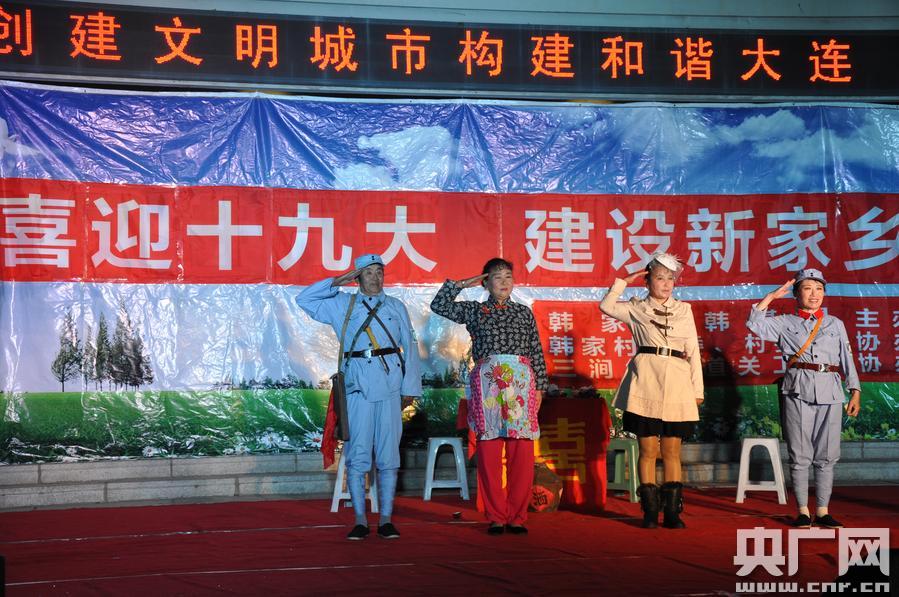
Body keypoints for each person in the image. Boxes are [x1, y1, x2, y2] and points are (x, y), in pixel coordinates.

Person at [296, 254, 422, 540]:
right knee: (357, 455)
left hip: (390, 385)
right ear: (358, 277)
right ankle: (360, 520)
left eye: (379, 272)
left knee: (389, 455)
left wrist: (410, 388)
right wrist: (338, 281)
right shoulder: (343, 303)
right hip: (357, 387)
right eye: (368, 273)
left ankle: (386, 519)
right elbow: (304, 299)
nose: (375, 278)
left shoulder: (396, 306)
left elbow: (410, 346)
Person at [430, 258, 547, 535]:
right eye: (497, 277)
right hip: (488, 385)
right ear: (486, 282)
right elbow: (439, 305)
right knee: (490, 451)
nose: (504, 282)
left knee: (521, 451)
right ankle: (496, 515)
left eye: (508, 276)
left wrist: (540, 387)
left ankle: (517, 516)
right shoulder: (476, 310)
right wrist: (463, 284)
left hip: (520, 385)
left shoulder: (523, 312)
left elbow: (535, 350)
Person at [746, 268, 861, 529]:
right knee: (799, 454)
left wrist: (855, 390)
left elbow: (847, 357)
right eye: (807, 288)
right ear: (797, 294)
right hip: (797, 390)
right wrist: (771, 297)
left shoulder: (835, 324)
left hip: (831, 391)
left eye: (819, 289)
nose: (814, 294)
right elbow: (754, 323)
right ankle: (802, 511)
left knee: (828, 454)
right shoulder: (784, 322)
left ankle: (822, 510)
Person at [599, 253, 703, 529]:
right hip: (645, 380)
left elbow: (693, 351)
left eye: (670, 278)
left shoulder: (684, 310)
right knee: (647, 449)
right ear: (648, 281)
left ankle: (672, 513)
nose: (666, 284)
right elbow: (606, 305)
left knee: (671, 450)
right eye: (659, 278)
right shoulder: (636, 308)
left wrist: (698, 390)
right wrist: (623, 282)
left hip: (678, 382)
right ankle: (649, 511)